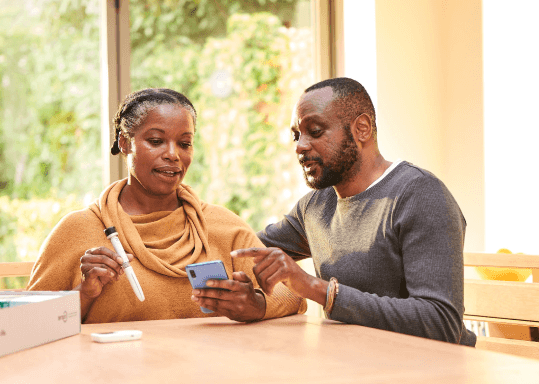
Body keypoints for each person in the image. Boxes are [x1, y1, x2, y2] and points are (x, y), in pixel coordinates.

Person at [231, 77, 476, 346]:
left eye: (314, 130)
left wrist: (317, 289)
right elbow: (244, 248)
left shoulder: (420, 195)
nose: (300, 146)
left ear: (361, 129)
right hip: (355, 365)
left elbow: (441, 323)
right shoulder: (315, 206)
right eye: (296, 136)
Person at [28, 88, 304, 323]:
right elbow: (28, 322)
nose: (173, 155)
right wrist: (84, 293)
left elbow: (293, 294)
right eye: (156, 141)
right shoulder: (79, 230)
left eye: (184, 143)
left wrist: (255, 305)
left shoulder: (223, 226)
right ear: (125, 143)